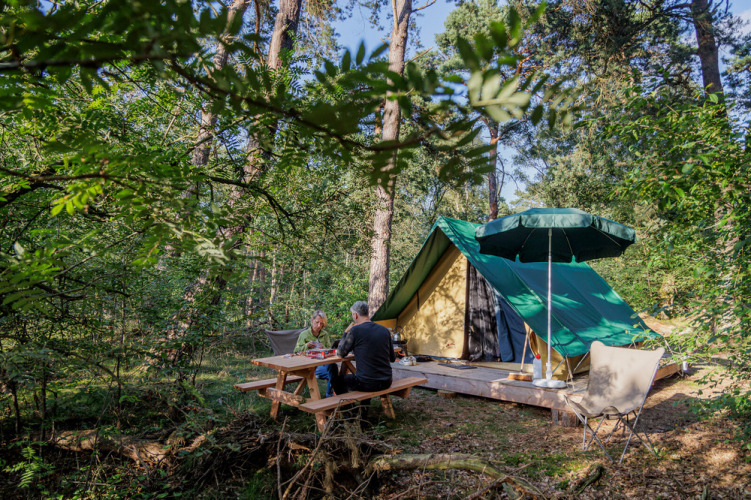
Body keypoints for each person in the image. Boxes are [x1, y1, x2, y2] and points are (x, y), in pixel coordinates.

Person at [333, 301, 395, 395]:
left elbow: (340, 353)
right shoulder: (384, 330)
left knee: (336, 380)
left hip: (366, 383)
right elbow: (392, 358)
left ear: (355, 315)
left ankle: (349, 407)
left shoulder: (355, 330)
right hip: (386, 382)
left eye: (352, 314)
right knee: (365, 376)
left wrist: (346, 332)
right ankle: (364, 407)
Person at [293, 310, 338, 398]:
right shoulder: (304, 334)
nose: (319, 326)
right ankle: (330, 395)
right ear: (312, 320)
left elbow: (329, 349)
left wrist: (323, 348)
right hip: (310, 366)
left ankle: (330, 395)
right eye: (317, 322)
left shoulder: (324, 334)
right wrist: (306, 345)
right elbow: (296, 351)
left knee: (334, 368)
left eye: (321, 324)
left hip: (324, 363)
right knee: (334, 375)